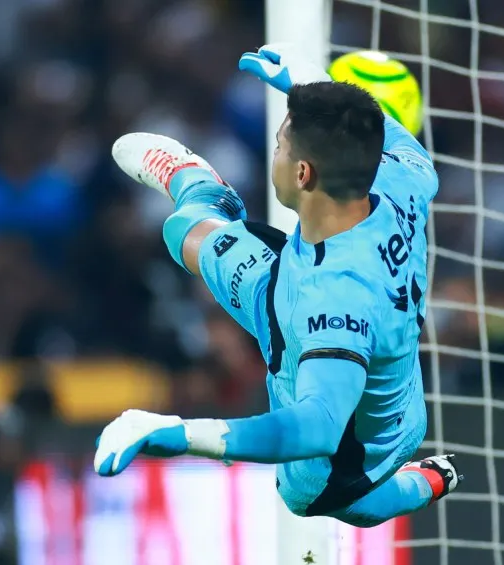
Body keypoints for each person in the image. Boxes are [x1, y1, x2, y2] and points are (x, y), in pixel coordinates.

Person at [93, 44, 462, 527]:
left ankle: (429, 481)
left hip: (341, 436)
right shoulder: (405, 175)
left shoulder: (336, 303)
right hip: (374, 373)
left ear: (302, 174)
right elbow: (388, 133)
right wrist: (307, 83)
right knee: (183, 232)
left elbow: (318, 428)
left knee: (339, 505)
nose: (276, 153)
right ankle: (198, 184)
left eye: (279, 147)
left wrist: (180, 434)